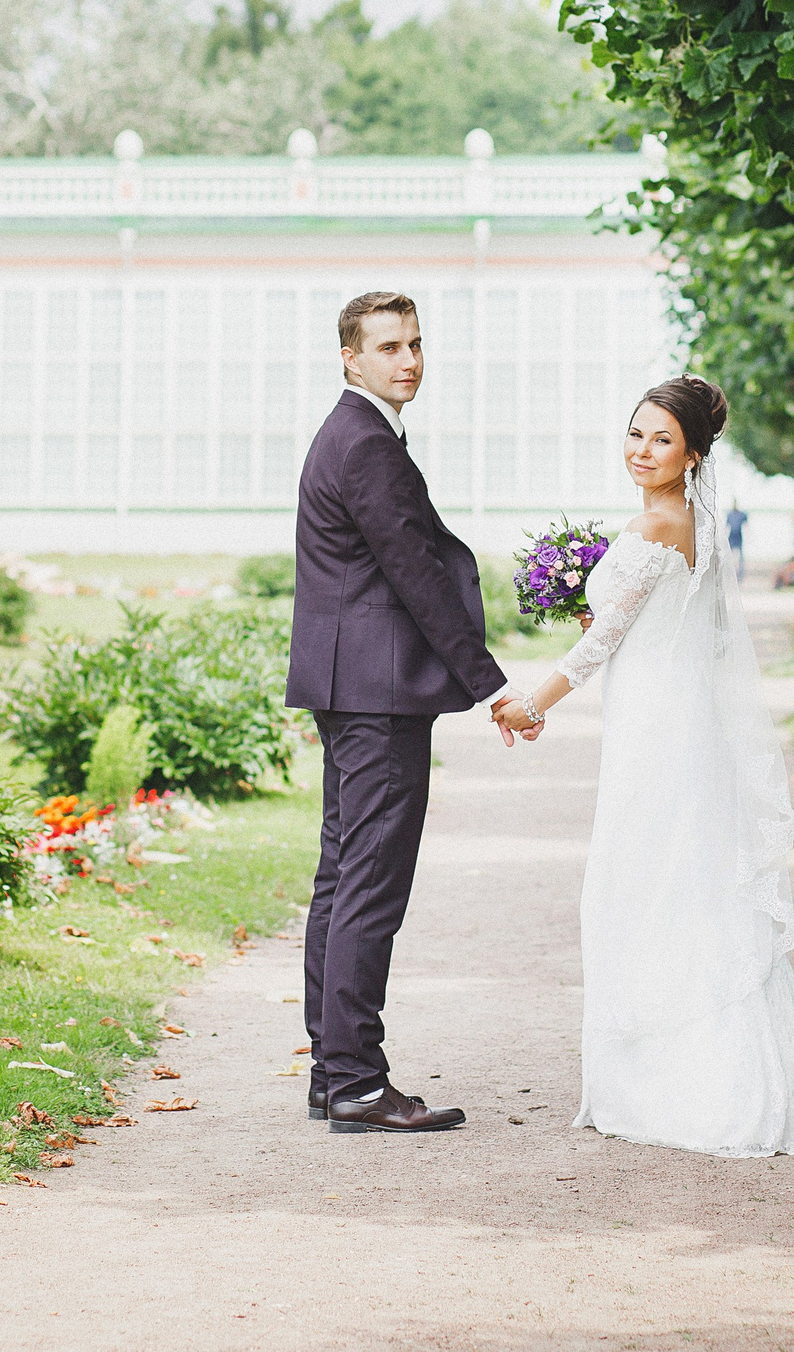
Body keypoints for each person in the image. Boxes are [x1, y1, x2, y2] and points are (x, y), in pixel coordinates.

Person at [489, 378, 794, 1158]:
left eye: (661, 439)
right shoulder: (694, 522)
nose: (641, 449)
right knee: (687, 884)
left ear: (692, 452)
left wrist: (533, 702)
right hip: (681, 721)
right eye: (634, 433)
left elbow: (597, 648)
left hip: (654, 732)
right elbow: (658, 623)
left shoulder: (653, 526)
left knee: (645, 885)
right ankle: (729, 1075)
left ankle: (681, 1087)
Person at [285, 290, 506, 1135]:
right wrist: (489, 683)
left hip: (352, 689)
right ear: (350, 357)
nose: (408, 360)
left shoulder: (354, 433)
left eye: (416, 344)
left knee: (342, 878)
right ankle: (356, 1080)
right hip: (374, 694)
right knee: (367, 883)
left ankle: (332, 1072)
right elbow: (414, 571)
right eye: (388, 347)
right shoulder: (366, 442)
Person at [724, 500, 748, 583]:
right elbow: (727, 526)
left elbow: (746, 526)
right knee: (729, 557)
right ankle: (729, 575)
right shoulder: (730, 514)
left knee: (740, 558)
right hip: (731, 537)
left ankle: (740, 577)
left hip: (738, 537)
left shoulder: (742, 514)